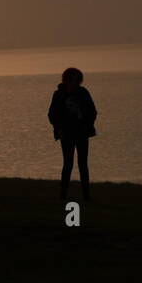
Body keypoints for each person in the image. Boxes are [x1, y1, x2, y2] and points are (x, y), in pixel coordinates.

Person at [48, 67, 97, 202]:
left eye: (76, 79)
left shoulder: (83, 93)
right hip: (67, 134)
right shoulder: (58, 95)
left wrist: (87, 125)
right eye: (71, 79)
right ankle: (63, 195)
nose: (74, 82)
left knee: (83, 164)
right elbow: (53, 114)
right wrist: (59, 129)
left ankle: (86, 196)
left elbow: (92, 111)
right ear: (66, 79)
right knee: (68, 164)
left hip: (81, 133)